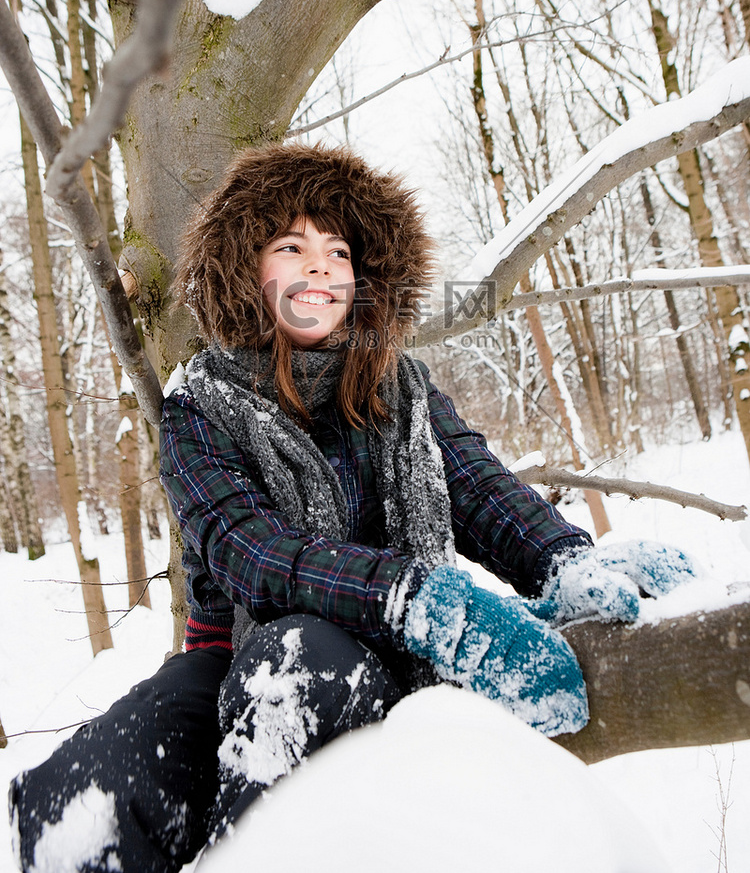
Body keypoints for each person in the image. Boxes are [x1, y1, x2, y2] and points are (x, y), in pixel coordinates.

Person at [9, 142, 696, 873]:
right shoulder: (198, 407)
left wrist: (565, 559)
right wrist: (414, 595)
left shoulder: (401, 391)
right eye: (293, 246)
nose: (321, 267)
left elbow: (483, 490)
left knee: (300, 658)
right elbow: (252, 551)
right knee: (115, 769)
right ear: (247, 268)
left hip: (373, 657)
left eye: (340, 251)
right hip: (242, 642)